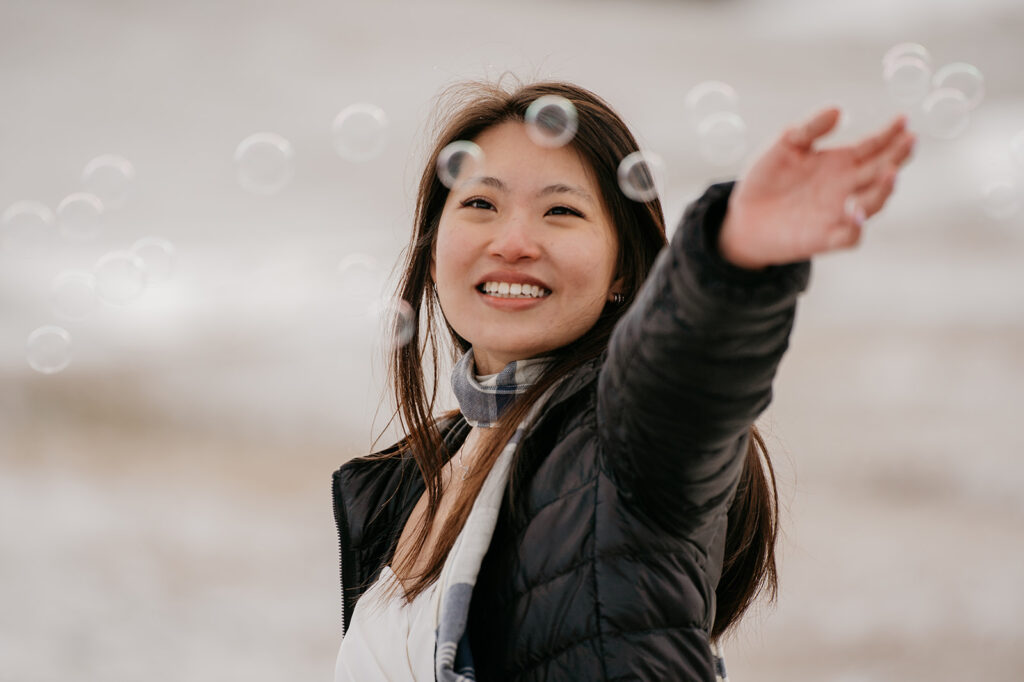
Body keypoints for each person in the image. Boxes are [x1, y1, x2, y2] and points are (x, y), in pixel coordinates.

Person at [331, 79, 915, 681]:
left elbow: (682, 376)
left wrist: (734, 254)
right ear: (432, 248)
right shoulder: (406, 480)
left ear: (621, 270)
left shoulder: (613, 437)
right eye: (481, 204)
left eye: (561, 210)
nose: (512, 243)